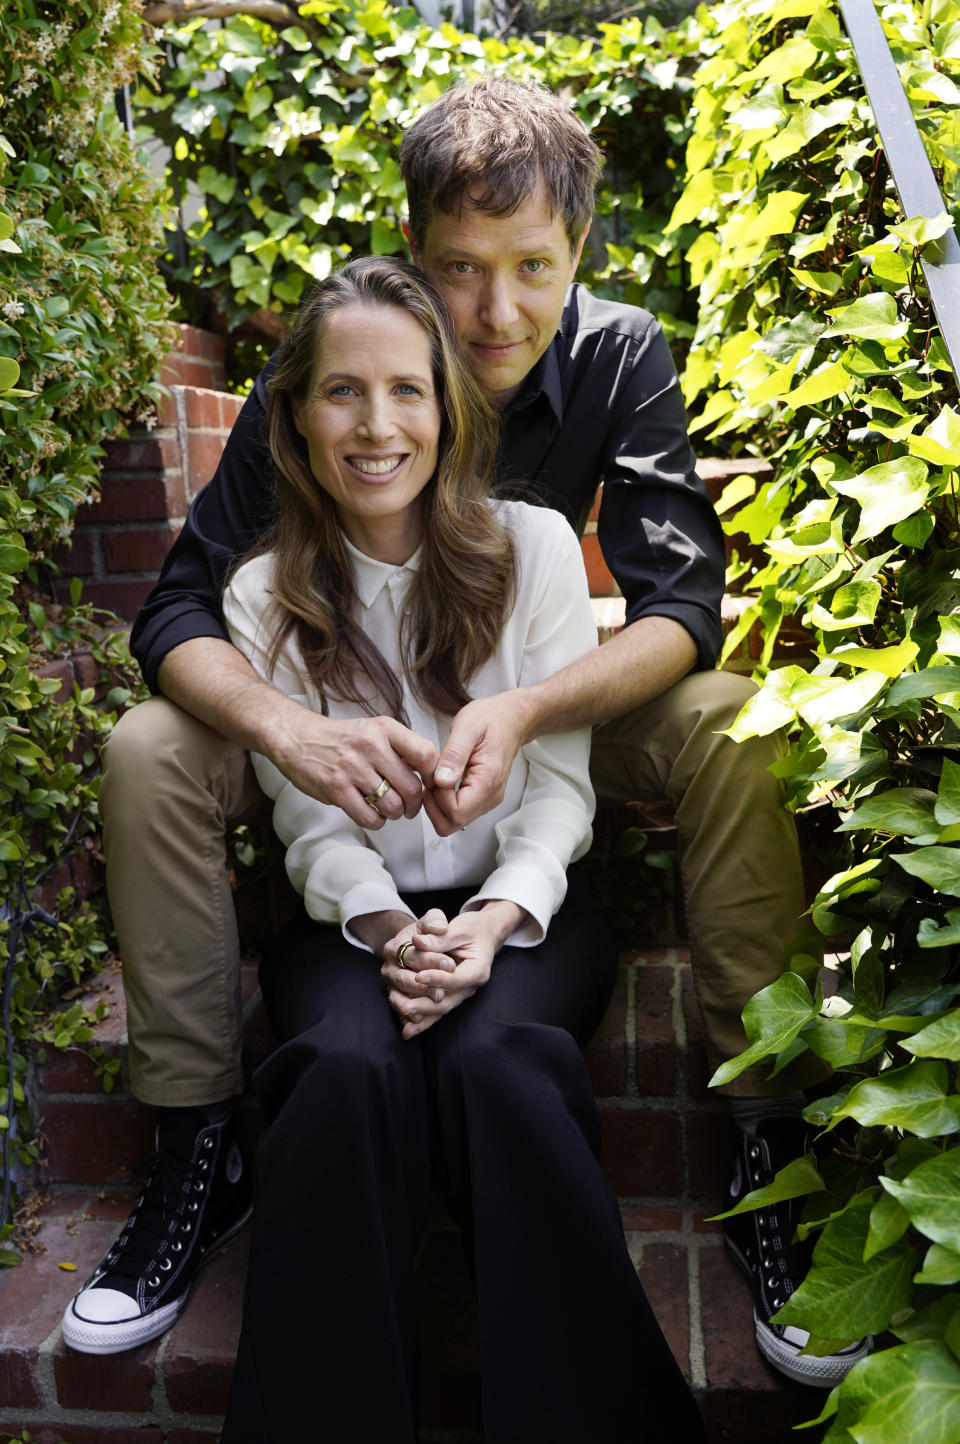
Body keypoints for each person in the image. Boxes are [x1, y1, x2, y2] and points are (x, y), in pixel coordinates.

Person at [62, 75, 865, 1384]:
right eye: (460, 268)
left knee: (726, 725)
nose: (497, 313)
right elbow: (177, 606)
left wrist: (528, 706)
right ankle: (198, 1143)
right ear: (414, 250)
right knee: (153, 744)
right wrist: (287, 729)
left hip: (547, 715)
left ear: (581, 254)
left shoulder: (618, 355)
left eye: (533, 268)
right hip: (351, 739)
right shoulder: (347, 369)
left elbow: (680, 611)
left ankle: (765, 1136)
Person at [211, 253, 706, 1442]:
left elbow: (557, 790)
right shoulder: (263, 592)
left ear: (448, 405)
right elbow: (310, 823)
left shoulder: (533, 549)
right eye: (340, 392)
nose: (376, 425)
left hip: (525, 911)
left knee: (498, 1063)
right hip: (350, 926)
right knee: (343, 1070)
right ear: (294, 417)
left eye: (406, 391)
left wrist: (491, 924)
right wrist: (389, 930)